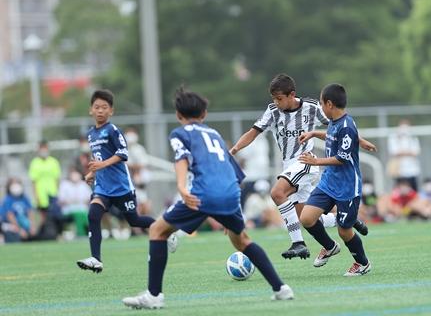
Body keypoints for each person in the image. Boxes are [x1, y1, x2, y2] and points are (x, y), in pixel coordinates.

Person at [122, 87, 293, 309]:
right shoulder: (215, 134)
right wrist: (231, 211)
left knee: (157, 230)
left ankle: (154, 296)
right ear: (204, 114)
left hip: (203, 194)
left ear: (178, 115)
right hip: (230, 194)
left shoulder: (180, 133)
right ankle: (281, 289)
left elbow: (182, 159)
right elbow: (235, 172)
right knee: (242, 240)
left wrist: (182, 187)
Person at [230, 74, 375, 260]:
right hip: (288, 166)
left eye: (279, 99)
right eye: (274, 99)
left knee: (277, 193)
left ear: (292, 95)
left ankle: (298, 243)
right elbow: (253, 133)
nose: (276, 102)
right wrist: (234, 150)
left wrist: (360, 140)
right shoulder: (272, 111)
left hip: (306, 161)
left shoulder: (311, 107)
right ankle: (345, 222)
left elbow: (338, 126)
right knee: (306, 218)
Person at [77, 89, 177, 273]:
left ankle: (166, 230)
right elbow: (99, 157)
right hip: (102, 188)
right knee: (93, 215)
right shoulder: (91, 134)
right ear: (91, 110)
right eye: (97, 107)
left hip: (121, 187)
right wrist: (93, 173)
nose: (100, 110)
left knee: (135, 220)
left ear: (111, 111)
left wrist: (102, 165)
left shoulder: (113, 130)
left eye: (104, 107)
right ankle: (96, 259)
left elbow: (123, 154)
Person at [297, 83, 372, 276]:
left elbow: (342, 158)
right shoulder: (334, 121)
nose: (321, 107)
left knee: (344, 231)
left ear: (329, 104)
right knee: (306, 218)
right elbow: (332, 137)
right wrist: (314, 133)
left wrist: (316, 161)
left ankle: (362, 263)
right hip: (328, 183)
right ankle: (330, 247)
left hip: (347, 187)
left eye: (321, 103)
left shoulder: (346, 126)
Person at [28, 140, 61, 229]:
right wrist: (36, 196)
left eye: (45, 148)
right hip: (41, 195)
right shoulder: (35, 163)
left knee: (54, 216)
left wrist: (57, 193)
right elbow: (33, 181)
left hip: (52, 194)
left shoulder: (53, 162)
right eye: (41, 148)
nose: (43, 150)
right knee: (42, 217)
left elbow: (57, 179)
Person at [386, 120, 421, 191]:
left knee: (413, 190)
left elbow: (416, 152)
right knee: (398, 190)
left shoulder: (413, 138)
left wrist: (403, 152)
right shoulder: (393, 138)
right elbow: (394, 152)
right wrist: (408, 152)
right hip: (399, 170)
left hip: (412, 169)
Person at [58, 169, 92, 237]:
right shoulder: (64, 185)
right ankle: (81, 233)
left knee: (83, 213)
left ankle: (88, 230)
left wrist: (82, 201)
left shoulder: (84, 185)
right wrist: (70, 201)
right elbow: (60, 200)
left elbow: (90, 198)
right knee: (79, 214)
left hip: (82, 208)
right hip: (69, 209)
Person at [0, 178, 35, 243]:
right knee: (15, 238)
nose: (16, 187)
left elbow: (30, 212)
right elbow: (10, 216)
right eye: (13, 184)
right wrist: (19, 229)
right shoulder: (7, 199)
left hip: (22, 224)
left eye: (17, 184)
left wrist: (31, 226)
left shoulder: (24, 198)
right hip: (9, 224)